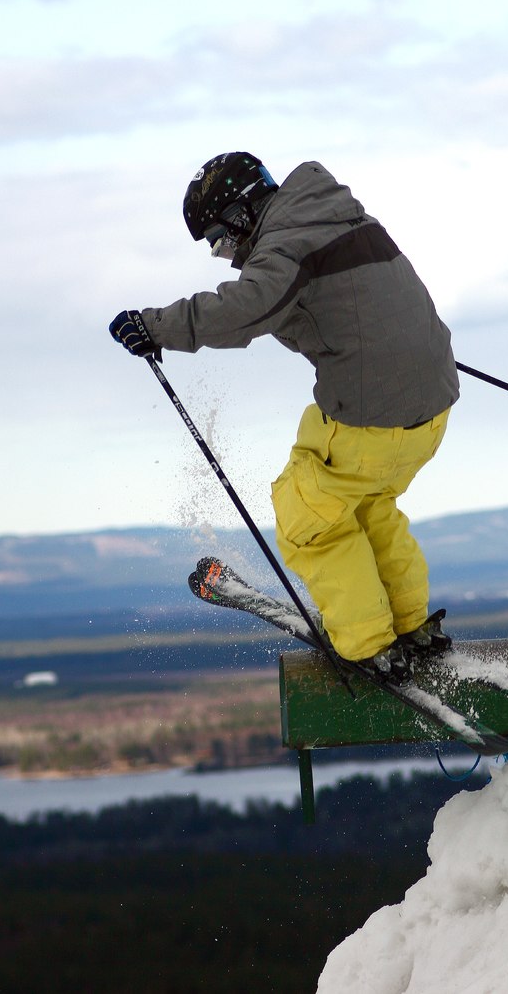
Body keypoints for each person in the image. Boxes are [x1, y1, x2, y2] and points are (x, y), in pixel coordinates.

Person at [110, 152, 459, 684]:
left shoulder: (286, 244)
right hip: (429, 409)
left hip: (373, 417)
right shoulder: (334, 216)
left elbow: (244, 310)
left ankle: (369, 646)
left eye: (221, 241)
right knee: (367, 504)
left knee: (306, 519)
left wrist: (154, 327)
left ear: (241, 215)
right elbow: (356, 302)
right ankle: (411, 627)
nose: (226, 256)